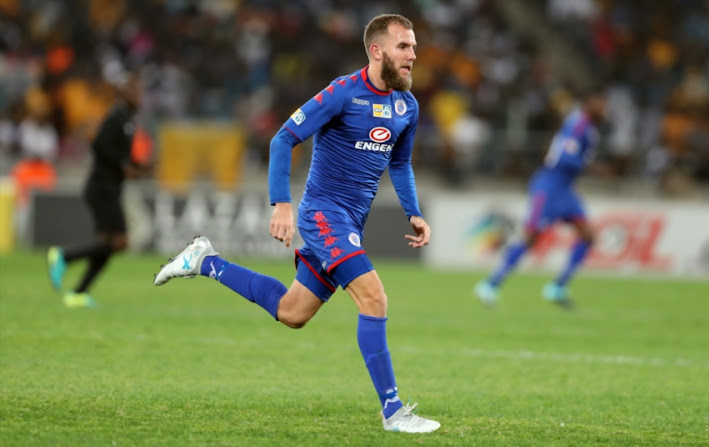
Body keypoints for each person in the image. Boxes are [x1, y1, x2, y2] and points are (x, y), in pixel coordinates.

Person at [153, 14, 440, 433]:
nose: (413, 54)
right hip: (323, 212)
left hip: (351, 220)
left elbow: (399, 162)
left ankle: (205, 260)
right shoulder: (343, 93)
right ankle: (394, 411)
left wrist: (413, 210)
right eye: (404, 47)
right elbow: (283, 138)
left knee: (292, 312)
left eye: (414, 46)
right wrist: (282, 203)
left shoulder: (406, 106)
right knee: (374, 299)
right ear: (377, 51)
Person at [474, 88, 608, 308]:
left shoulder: (588, 128)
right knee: (531, 236)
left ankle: (558, 287)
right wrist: (594, 168)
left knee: (588, 236)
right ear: (589, 104)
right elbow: (564, 157)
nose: (605, 110)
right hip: (549, 185)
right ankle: (490, 285)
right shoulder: (578, 125)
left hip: (565, 189)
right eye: (601, 105)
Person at [47, 72, 150, 308]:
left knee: (108, 245)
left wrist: (138, 166)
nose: (140, 96)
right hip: (102, 187)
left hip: (109, 187)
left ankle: (78, 294)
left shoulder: (126, 119)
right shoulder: (117, 117)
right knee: (120, 241)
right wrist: (124, 166)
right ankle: (64, 256)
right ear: (124, 93)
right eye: (135, 91)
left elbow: (116, 154)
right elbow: (99, 146)